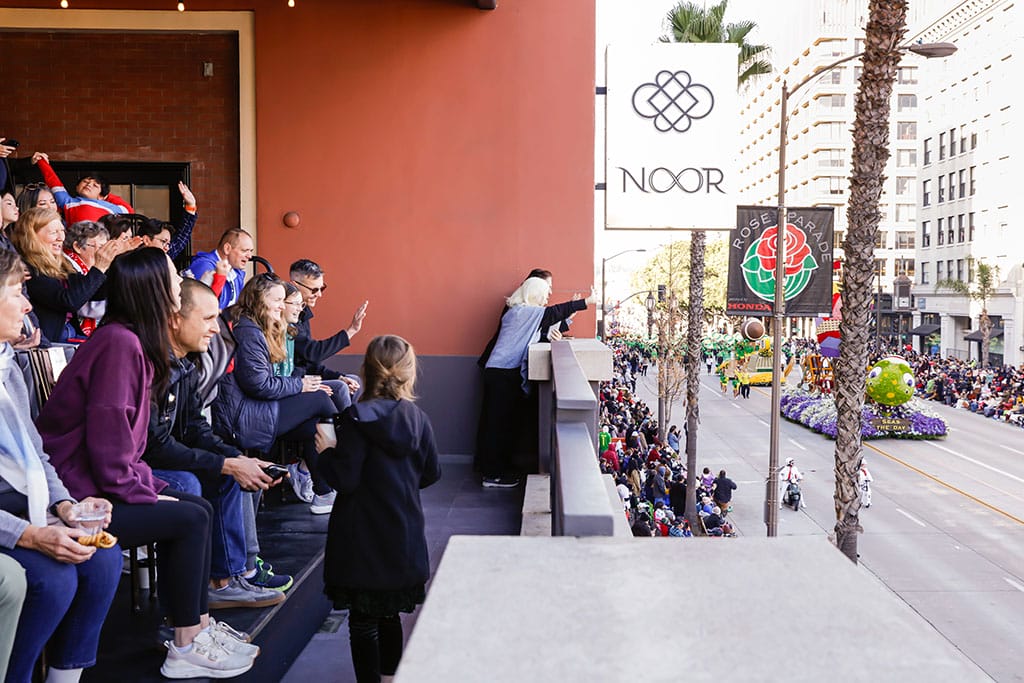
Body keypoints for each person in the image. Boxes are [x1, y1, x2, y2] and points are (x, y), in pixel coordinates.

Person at [37, 248, 259, 679]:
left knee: (196, 508)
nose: (180, 287)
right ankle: (186, 644)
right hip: (76, 497)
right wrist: (149, 489)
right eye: (175, 280)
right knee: (189, 517)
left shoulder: (130, 341)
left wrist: (151, 485)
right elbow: (110, 451)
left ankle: (198, 630)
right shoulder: (120, 343)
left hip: (95, 484)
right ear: (152, 289)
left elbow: (125, 448)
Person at [0, 248, 122, 683]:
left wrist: (66, 506)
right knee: (53, 580)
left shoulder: (6, 364)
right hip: (10, 522)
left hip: (26, 507)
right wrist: (32, 535)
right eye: (17, 291)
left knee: (103, 559)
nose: (30, 304)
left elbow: (36, 453)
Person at [144, 278, 292, 600]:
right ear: (175, 319)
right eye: (208, 319)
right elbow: (154, 446)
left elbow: (195, 426)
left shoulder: (187, 363)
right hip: (140, 468)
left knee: (234, 471)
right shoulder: (152, 365)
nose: (216, 329)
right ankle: (208, 591)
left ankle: (230, 578)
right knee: (191, 483)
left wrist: (237, 458)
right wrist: (226, 464)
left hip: (164, 456)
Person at [318, 335, 442, 683]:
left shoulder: (355, 419)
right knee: (390, 617)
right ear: (409, 372)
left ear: (367, 370)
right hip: (402, 534)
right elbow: (432, 473)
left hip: (360, 538)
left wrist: (327, 450)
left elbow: (345, 478)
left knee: (362, 622)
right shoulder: (417, 418)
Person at [211, 273, 339, 514]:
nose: (282, 306)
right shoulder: (248, 331)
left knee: (314, 422)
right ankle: (339, 471)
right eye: (277, 300)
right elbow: (259, 385)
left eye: (283, 300)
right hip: (244, 418)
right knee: (322, 398)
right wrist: (301, 386)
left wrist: (301, 385)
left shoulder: (253, 326)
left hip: (257, 410)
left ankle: (325, 492)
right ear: (259, 300)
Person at [477, 276, 596, 488]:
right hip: (502, 375)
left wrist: (570, 315)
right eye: (544, 294)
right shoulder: (523, 312)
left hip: (501, 373)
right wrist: (587, 302)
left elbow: (546, 325)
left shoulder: (519, 312)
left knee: (499, 425)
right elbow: (551, 314)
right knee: (498, 426)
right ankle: (492, 475)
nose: (546, 298)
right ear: (534, 293)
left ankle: (495, 470)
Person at [10, 208, 129, 341]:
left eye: (62, 231)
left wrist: (111, 265)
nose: (61, 237)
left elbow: (92, 293)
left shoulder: (60, 263)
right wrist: (99, 267)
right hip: (52, 340)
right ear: (32, 235)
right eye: (54, 232)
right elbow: (69, 301)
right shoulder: (27, 267)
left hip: (70, 332)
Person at [288, 259, 367, 405]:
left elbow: (310, 362)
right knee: (341, 388)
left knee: (353, 381)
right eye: (314, 290)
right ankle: (347, 427)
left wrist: (339, 377)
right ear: (294, 286)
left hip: (305, 377)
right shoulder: (287, 317)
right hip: (293, 384)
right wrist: (351, 330)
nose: (319, 295)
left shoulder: (303, 313)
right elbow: (313, 352)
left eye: (321, 288)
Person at [31, 153, 134, 224]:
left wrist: (107, 196)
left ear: (102, 195)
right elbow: (53, 180)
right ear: (77, 187)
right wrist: (42, 161)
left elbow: (129, 210)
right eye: (85, 181)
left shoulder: (110, 207)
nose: (89, 184)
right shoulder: (68, 202)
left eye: (95, 185)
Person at [188, 228, 254, 309]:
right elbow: (201, 306)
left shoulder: (236, 271)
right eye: (244, 250)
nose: (249, 256)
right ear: (227, 248)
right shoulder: (204, 266)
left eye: (251, 251)